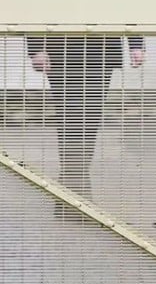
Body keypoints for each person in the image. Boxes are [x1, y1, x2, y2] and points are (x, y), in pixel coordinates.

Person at [27, 35, 145, 216]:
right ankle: (73, 197)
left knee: (89, 118)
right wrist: (36, 48)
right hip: (61, 47)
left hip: (101, 49)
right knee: (71, 118)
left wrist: (136, 44)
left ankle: (72, 195)